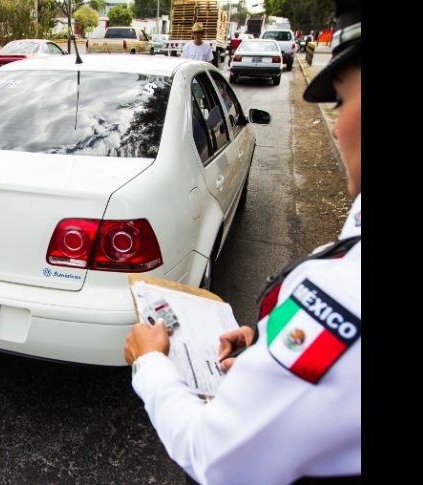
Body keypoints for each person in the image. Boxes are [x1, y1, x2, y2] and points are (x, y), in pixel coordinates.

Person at [123, 0, 361, 483]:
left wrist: (149, 362)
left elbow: (212, 453)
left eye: (343, 101)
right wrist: (263, 345)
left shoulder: (344, 297)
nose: (336, 126)